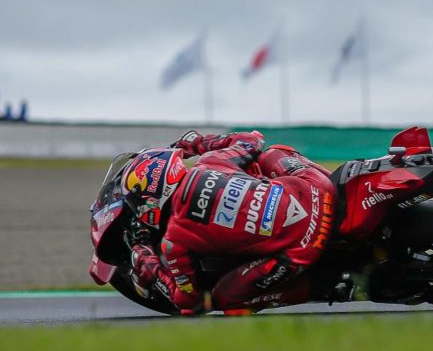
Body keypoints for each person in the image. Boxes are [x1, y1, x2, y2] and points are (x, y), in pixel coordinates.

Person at [121, 130, 337, 315]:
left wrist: (148, 264)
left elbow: (189, 303)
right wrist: (197, 144)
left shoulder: (174, 240)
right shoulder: (209, 162)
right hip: (319, 189)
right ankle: (341, 190)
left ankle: (326, 287)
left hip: (303, 247)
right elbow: (253, 140)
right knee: (272, 152)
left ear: (150, 200)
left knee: (226, 299)